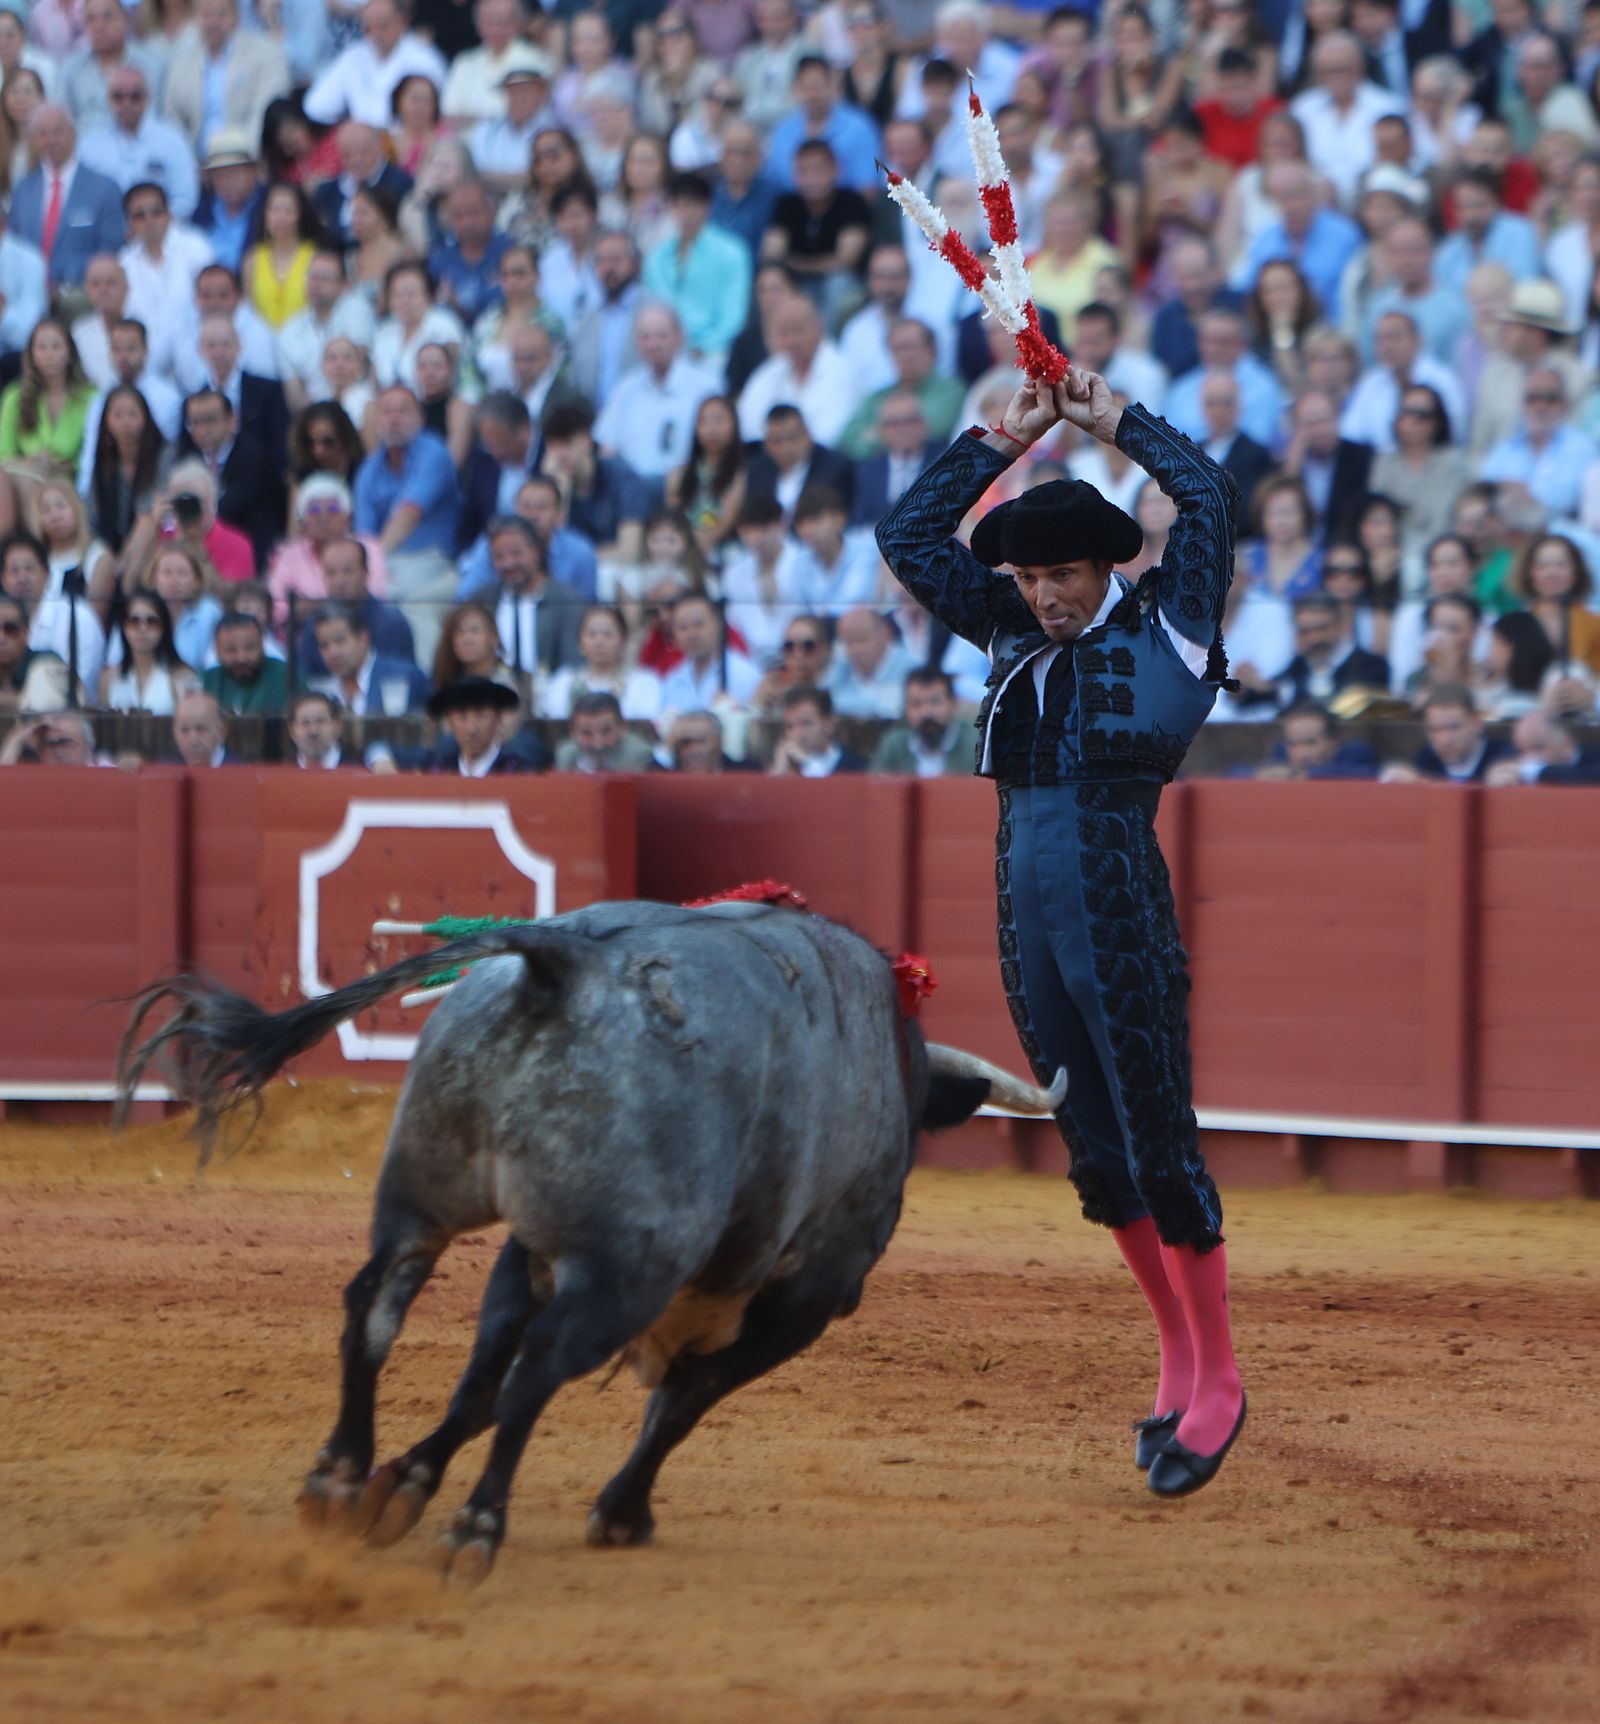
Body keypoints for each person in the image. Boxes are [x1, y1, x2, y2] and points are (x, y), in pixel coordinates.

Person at [875, 368, 1246, 1496]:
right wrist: (1002, 436)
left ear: (1105, 567)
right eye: (1028, 574)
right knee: (1090, 1141)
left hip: (1117, 900)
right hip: (1023, 907)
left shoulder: (1170, 623)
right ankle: (1174, 1352)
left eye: (1061, 572)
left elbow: (1211, 501)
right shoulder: (1001, 624)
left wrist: (1112, 419)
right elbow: (910, 532)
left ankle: (1219, 1375)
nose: (1040, 592)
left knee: (1155, 1131)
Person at [537, 602, 662, 722]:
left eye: (608, 634)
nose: (599, 641)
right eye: (592, 634)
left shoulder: (642, 684)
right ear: (580, 642)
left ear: (624, 640)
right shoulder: (563, 683)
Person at [309, 602, 432, 716]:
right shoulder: (320, 692)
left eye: (340, 641)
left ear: (363, 638)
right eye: (324, 645)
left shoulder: (406, 677)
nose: (333, 653)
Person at [1383, 682, 1511, 782]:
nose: (1445, 740)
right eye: (1435, 730)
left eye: (1454, 728)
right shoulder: (1425, 761)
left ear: (1476, 723)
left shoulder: (1501, 757)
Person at [424, 673, 535, 775]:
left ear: (498, 718)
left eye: (481, 716)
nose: (472, 729)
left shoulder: (519, 772)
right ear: (449, 722)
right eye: (462, 717)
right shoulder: (440, 772)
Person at [870, 665, 967, 776]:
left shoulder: (977, 745)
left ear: (953, 703)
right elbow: (876, 788)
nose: (926, 712)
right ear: (905, 709)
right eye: (916, 704)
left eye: (935, 702)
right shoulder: (894, 746)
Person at [1254, 701, 1379, 780]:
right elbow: (1240, 772)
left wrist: (1306, 775)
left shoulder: (1355, 754)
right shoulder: (1280, 756)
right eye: (1293, 744)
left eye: (1310, 743)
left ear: (1333, 743)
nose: (1302, 754)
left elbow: (1372, 775)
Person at [201, 609, 289, 715]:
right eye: (231, 650)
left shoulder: (283, 674)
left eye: (249, 648)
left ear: (262, 645)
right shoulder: (210, 679)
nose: (241, 658)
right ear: (217, 650)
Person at [767, 683, 865, 775]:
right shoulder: (786, 766)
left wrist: (809, 763)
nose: (797, 734)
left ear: (829, 724)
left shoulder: (857, 767)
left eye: (806, 724)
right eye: (789, 726)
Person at [555, 688, 657, 772]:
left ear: (623, 726)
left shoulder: (638, 754)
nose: (597, 743)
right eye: (587, 733)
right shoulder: (567, 755)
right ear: (573, 731)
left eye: (606, 731)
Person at [0, 591, 69, 714]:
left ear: (26, 632)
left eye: (10, 629)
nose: (2, 638)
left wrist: (12, 702)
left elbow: (47, 708)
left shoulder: (47, 661)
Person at [170, 688, 233, 766]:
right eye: (184, 730)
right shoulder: (165, 772)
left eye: (201, 729)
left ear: (221, 732)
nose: (193, 741)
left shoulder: (241, 772)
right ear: (175, 734)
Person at [286, 690, 347, 769]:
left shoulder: (358, 768)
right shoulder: (282, 770)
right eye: (305, 723)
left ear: (337, 727)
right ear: (292, 731)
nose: (313, 731)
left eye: (321, 721)